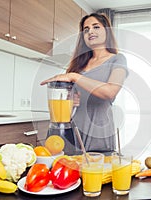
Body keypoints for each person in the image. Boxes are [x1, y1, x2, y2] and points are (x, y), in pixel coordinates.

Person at [40, 13, 128, 155]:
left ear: (107, 30)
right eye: (86, 30)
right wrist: (71, 100)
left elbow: (110, 91)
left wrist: (74, 77)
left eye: (96, 27)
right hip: (73, 132)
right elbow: (69, 98)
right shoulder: (79, 63)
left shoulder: (118, 59)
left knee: (97, 172)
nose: (90, 31)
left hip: (99, 133)